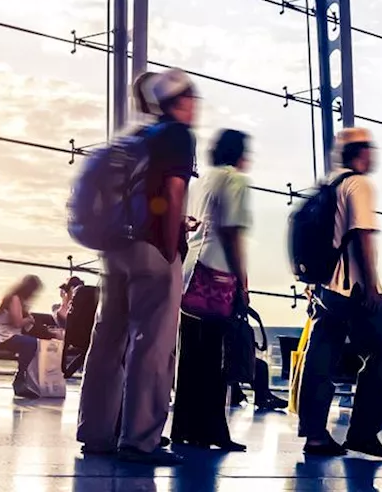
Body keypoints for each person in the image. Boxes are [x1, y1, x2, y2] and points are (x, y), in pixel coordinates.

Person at [77, 68, 197, 466]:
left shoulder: (134, 139)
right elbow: (173, 191)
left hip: (115, 249)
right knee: (154, 345)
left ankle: (96, 432)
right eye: (190, 98)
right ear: (177, 102)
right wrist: (169, 246)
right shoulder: (177, 134)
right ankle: (140, 439)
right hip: (151, 248)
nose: (195, 106)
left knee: (108, 340)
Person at [297, 127, 382, 459]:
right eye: (370, 149)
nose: (374, 155)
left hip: (325, 288)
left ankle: (314, 434)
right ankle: (363, 433)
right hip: (353, 287)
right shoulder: (359, 184)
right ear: (360, 152)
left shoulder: (330, 185)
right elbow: (361, 236)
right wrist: (370, 284)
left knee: (321, 357)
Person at [172, 129, 251, 452]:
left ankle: (184, 427)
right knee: (216, 356)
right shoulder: (236, 180)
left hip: (190, 271)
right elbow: (232, 232)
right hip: (217, 274)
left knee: (190, 354)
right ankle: (212, 430)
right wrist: (242, 281)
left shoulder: (203, 179)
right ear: (238, 153)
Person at [0, 275, 44, 399]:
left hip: (10, 334)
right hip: (3, 335)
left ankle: (25, 378)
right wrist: (29, 319)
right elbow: (17, 323)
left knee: (33, 343)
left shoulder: (18, 300)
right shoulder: (15, 299)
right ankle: (20, 378)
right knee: (31, 343)